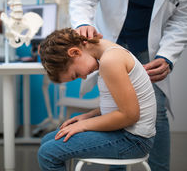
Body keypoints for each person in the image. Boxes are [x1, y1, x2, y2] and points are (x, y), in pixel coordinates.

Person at [69, 0, 187, 170]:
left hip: (149, 48)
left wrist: (167, 55)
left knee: (156, 111)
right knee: (113, 108)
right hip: (110, 40)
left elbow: (183, 16)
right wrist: (82, 23)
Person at [37, 28, 157, 171]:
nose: (83, 77)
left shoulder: (110, 61)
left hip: (133, 140)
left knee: (48, 153)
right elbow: (121, 104)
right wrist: (89, 115)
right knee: (47, 140)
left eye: (76, 74)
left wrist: (84, 125)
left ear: (75, 52)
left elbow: (130, 115)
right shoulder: (108, 54)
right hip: (127, 133)